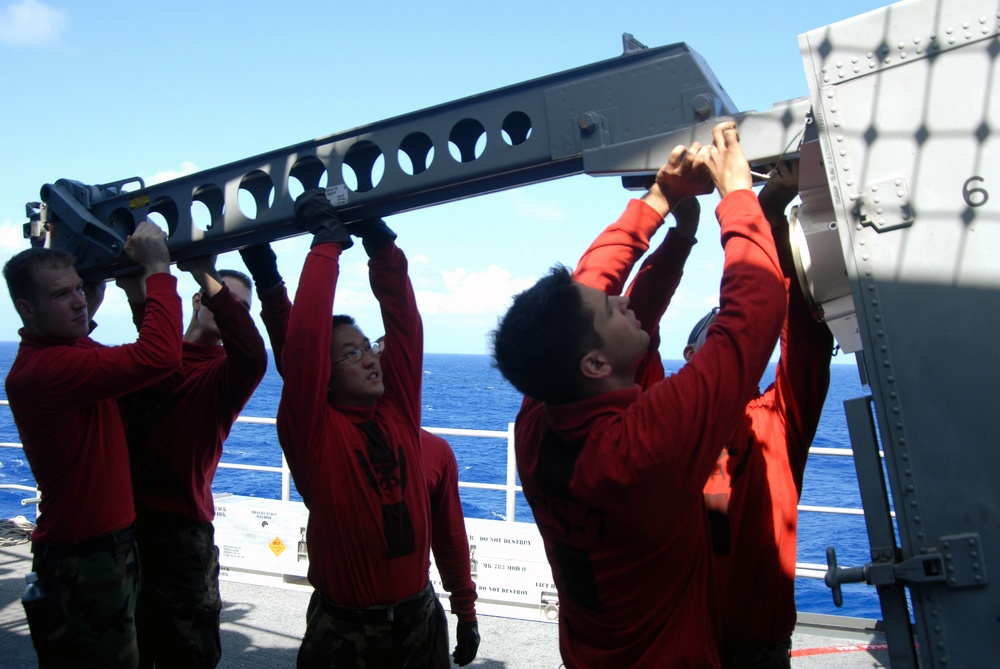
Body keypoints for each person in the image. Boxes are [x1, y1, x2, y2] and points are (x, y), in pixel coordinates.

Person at [490, 122, 787, 668]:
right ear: (596, 363)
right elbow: (754, 314)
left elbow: (592, 284)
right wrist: (738, 197)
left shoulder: (541, 415)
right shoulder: (646, 444)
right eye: (612, 309)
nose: (623, 302)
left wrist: (664, 205)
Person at [275, 189, 444, 667]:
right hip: (347, 631)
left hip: (419, 619)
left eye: (367, 345)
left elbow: (406, 326)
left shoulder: (396, 414)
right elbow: (304, 344)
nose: (370, 357)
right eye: (350, 353)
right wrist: (327, 246)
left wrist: (380, 243)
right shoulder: (314, 433)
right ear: (324, 375)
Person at [3, 221, 182, 668]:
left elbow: (94, 340)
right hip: (84, 559)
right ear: (26, 309)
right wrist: (158, 269)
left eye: (79, 288)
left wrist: (112, 287)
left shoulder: (68, 353)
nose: (79, 301)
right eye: (61, 295)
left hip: (104, 549)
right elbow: (159, 356)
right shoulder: (48, 369)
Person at [693, 161, 834, 669]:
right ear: (691, 360)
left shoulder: (777, 418)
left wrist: (770, 215)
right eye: (718, 333)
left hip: (758, 651)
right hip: (682, 649)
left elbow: (806, 338)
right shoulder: (669, 424)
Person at [115, 256, 268, 668]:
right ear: (198, 300)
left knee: (186, 653)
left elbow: (254, 353)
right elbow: (154, 336)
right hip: (117, 527)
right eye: (222, 299)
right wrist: (136, 288)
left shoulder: (226, 375)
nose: (230, 310)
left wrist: (203, 269)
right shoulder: (153, 355)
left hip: (180, 532)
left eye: (240, 308)